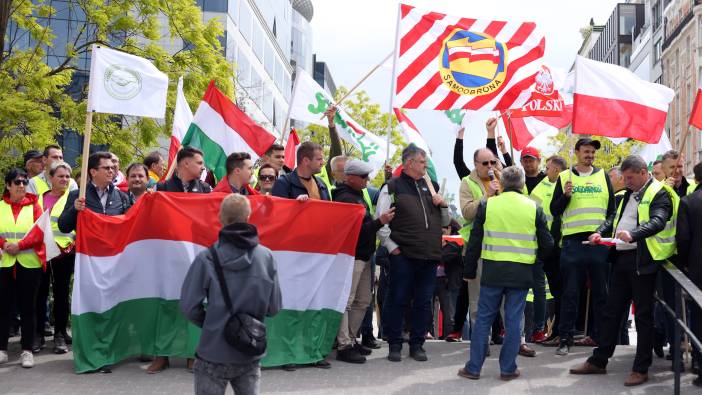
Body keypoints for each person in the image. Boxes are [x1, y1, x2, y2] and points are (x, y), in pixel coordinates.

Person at [570, 155, 676, 387]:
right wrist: (599, 232)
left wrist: (634, 234)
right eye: (624, 178)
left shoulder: (659, 192)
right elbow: (614, 219)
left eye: (630, 178)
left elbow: (658, 220)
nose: (626, 182)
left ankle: (641, 368)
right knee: (611, 311)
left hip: (644, 261)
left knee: (643, 317)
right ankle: (599, 360)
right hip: (622, 259)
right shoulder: (628, 194)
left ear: (642, 173)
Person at [458, 166, 553, 381]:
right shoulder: (534, 207)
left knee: (483, 319)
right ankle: (508, 369)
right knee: (513, 321)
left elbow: (474, 241)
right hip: (521, 272)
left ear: (503, 183)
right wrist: (536, 259)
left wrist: (469, 270)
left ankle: (474, 368)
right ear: (522, 184)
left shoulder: (487, 205)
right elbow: (548, 244)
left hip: (492, 271)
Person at [180, 194, 282, 395]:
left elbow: (188, 307)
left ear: (221, 218)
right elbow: (274, 307)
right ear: (248, 217)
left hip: (213, 351)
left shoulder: (207, 258)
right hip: (249, 350)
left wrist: (212, 322)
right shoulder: (266, 257)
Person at [376, 145, 450, 362]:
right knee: (398, 299)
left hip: (429, 257)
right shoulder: (392, 186)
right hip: (404, 255)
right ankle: (395, 344)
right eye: (422, 162)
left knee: (423, 301)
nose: (425, 166)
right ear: (409, 163)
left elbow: (445, 223)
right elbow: (381, 220)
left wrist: (443, 205)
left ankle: (417, 344)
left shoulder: (432, 187)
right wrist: (393, 248)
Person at [550, 138, 615, 355]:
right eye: (586, 151)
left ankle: (600, 338)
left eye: (592, 153)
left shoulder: (603, 175)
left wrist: (603, 231)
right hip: (573, 243)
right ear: (577, 152)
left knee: (601, 294)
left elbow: (612, 211)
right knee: (570, 293)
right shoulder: (563, 177)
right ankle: (565, 339)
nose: (590, 155)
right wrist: (566, 196)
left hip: (598, 243)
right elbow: (554, 210)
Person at [152, 147, 211, 373]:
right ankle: (162, 354)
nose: (202, 166)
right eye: (199, 162)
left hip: (195, 256)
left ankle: (192, 354)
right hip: (168, 256)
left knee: (194, 303)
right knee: (166, 304)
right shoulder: (163, 188)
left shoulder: (205, 190)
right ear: (184, 164)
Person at [332, 160, 395, 364]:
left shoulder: (358, 195)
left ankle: (350, 339)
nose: (367, 180)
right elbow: (357, 230)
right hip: (353, 256)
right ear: (350, 177)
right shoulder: (345, 198)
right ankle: (344, 345)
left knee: (363, 301)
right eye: (363, 176)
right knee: (348, 301)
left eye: (367, 176)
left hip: (365, 255)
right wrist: (381, 222)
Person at [0, 168, 44, 368]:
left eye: (24, 182)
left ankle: (27, 350)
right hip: (4, 262)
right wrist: (4, 244)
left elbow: (39, 232)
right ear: (8, 185)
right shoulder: (0, 206)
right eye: (17, 182)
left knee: (28, 307)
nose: (21, 186)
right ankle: (2, 349)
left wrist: (19, 246)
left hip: (28, 263)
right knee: (3, 307)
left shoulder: (35, 206)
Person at [34, 162, 75, 355]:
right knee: (39, 294)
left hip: (63, 253)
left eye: (67, 177)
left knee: (61, 294)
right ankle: (38, 334)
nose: (65, 180)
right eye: (61, 176)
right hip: (40, 253)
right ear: (51, 178)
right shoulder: (38, 199)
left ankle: (60, 334)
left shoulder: (73, 198)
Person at [534, 156, 568, 346]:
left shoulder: (569, 185)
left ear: (557, 170)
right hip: (549, 248)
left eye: (548, 168)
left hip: (566, 246)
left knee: (564, 291)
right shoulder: (541, 187)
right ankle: (557, 331)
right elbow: (531, 212)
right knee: (557, 291)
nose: (545, 172)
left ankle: (561, 331)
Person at [58, 152, 132, 234]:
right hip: (87, 246)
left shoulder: (122, 197)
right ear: (93, 172)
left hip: (113, 246)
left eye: (112, 168)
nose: (111, 171)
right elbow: (63, 227)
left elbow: (130, 227)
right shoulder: (78, 195)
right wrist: (74, 209)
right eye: (107, 168)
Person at [677, 161, 702, 388]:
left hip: (698, 268)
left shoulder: (689, 202)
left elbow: (683, 239)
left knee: (698, 314)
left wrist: (683, 263)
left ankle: (699, 362)